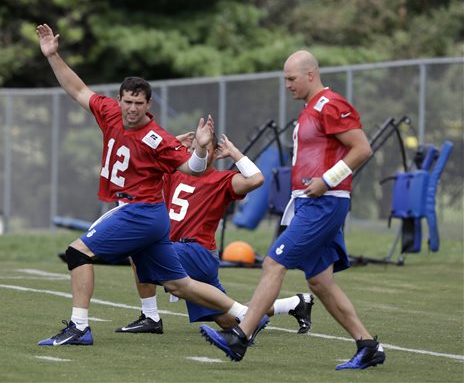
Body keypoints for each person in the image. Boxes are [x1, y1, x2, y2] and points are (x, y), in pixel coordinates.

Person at [35, 23, 266, 346]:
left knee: (78, 253)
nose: (131, 109)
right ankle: (249, 314)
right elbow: (77, 90)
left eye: (138, 103)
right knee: (180, 285)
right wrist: (53, 55)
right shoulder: (110, 112)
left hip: (141, 211)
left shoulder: (157, 138)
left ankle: (79, 327)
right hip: (147, 215)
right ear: (120, 99)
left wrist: (200, 147)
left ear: (149, 105)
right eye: (127, 101)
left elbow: (194, 169)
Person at [200, 50, 386, 370]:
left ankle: (240, 336)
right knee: (319, 282)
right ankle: (368, 346)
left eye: (291, 78)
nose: (286, 85)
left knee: (273, 263)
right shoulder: (310, 109)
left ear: (310, 74)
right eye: (284, 79)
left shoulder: (330, 105)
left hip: (324, 203)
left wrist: (327, 181)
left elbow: (362, 148)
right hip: (309, 202)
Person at [115, 133, 314, 336]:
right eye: (193, 149)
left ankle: (151, 317)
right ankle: (294, 304)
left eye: (204, 149)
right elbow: (144, 163)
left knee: (142, 245)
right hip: (183, 251)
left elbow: (256, 179)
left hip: (196, 252)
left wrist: (234, 153)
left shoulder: (222, 180)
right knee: (229, 320)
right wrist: (172, 143)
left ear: (215, 153)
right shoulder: (175, 172)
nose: (197, 153)